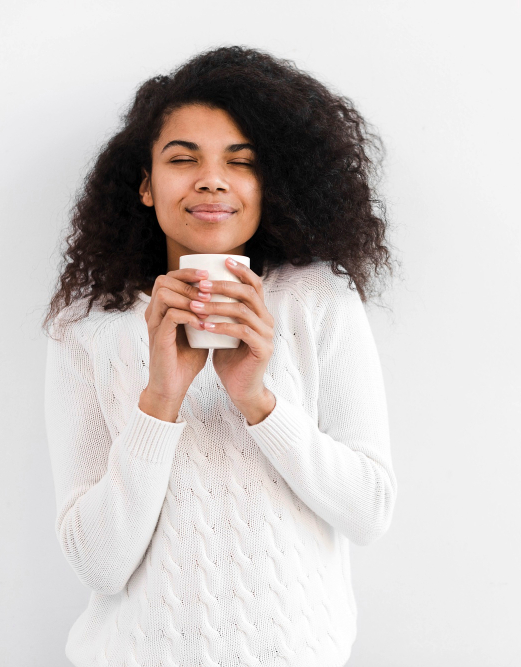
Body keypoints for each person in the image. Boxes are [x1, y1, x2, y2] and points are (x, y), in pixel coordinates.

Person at [42, 46, 398, 667]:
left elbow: (369, 512)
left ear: (270, 185)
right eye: (183, 159)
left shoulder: (318, 300)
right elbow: (99, 565)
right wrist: (160, 401)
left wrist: (259, 401)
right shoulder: (87, 327)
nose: (212, 179)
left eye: (242, 161)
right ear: (147, 186)